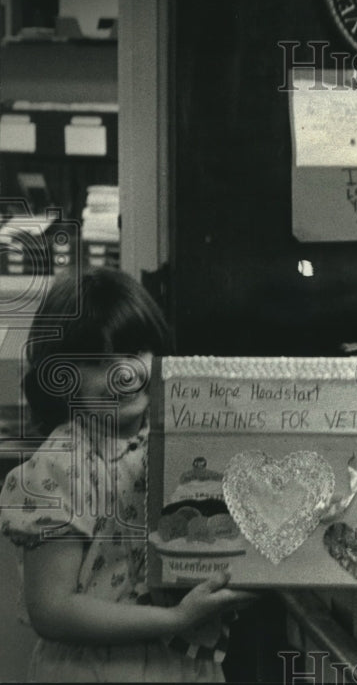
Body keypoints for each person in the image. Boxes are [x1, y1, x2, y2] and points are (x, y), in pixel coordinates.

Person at [0, 268, 255, 682]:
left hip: (184, 664)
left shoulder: (181, 444)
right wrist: (174, 618)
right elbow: (51, 610)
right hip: (98, 670)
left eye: (135, 351)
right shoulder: (60, 467)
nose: (124, 374)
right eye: (98, 361)